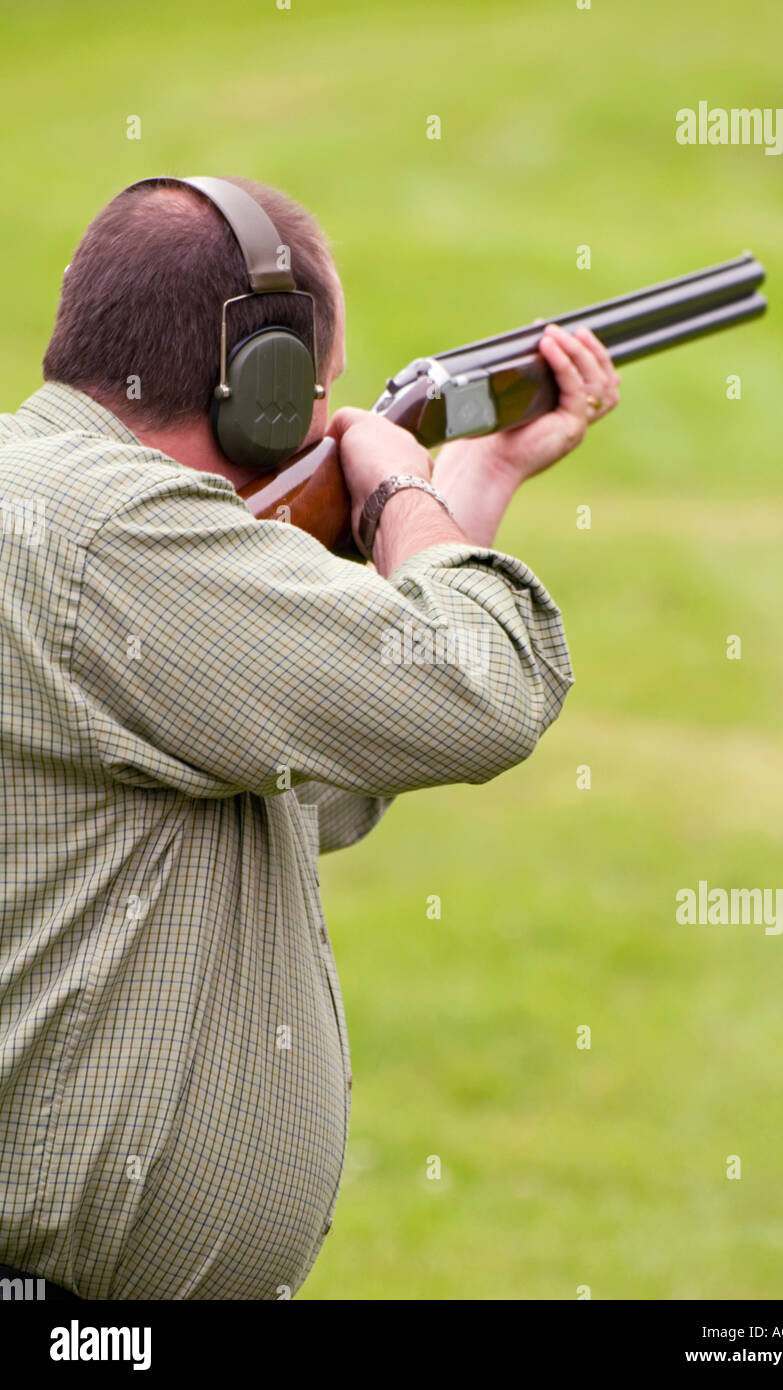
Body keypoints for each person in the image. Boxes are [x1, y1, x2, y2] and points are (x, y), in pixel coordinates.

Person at [0, 176, 619, 1299]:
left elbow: (302, 778)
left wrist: (461, 492)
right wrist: (392, 494)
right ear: (269, 391)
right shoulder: (124, 537)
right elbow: (490, 682)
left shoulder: (48, 505)